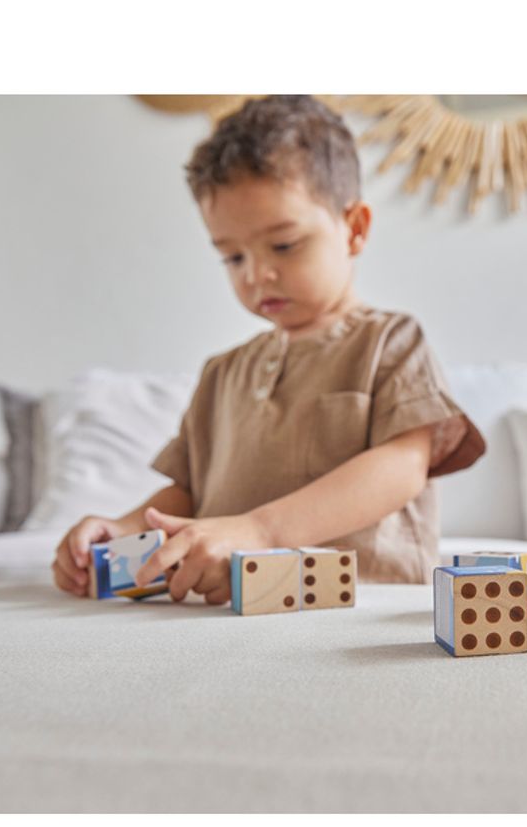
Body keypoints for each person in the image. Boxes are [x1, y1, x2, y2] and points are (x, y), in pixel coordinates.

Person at [52, 95, 485, 603]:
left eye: (283, 245)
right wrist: (122, 529)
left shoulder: (390, 342)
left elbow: (402, 468)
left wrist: (260, 531)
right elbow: (189, 494)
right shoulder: (221, 373)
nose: (256, 274)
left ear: (355, 228)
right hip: (235, 613)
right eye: (232, 257)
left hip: (367, 608)